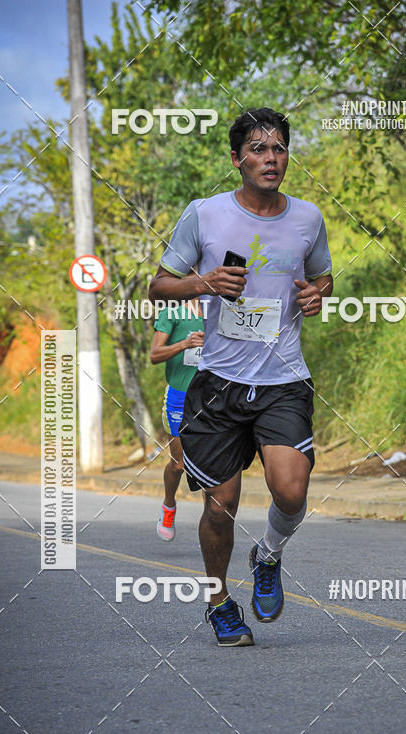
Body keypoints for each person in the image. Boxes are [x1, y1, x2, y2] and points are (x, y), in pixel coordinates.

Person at [149, 107, 332, 647]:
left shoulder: (308, 217)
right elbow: (160, 286)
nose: (270, 158)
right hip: (219, 384)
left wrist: (316, 295)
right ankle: (218, 601)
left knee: (291, 490)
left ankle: (269, 554)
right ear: (237, 159)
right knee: (220, 506)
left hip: (282, 379)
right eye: (257, 149)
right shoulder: (204, 215)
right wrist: (203, 283)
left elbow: (322, 276)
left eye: (278, 149)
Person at [149, 297, 205, 541]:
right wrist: (185, 343)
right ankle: (169, 505)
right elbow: (155, 355)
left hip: (212, 397)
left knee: (209, 465)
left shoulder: (222, 311)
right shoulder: (173, 313)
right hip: (180, 395)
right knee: (179, 463)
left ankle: (213, 522)